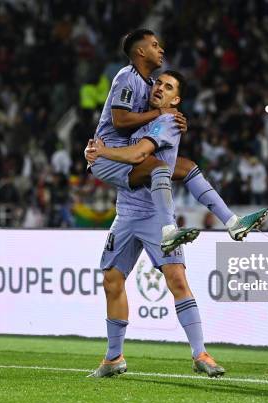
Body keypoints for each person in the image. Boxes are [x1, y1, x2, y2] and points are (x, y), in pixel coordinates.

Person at [87, 71, 225, 378]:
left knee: (176, 280)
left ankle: (200, 352)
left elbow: (137, 154)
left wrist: (101, 153)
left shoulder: (168, 122)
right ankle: (113, 358)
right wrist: (97, 151)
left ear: (176, 99)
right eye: (158, 83)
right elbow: (116, 133)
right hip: (125, 214)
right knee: (111, 280)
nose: (158, 88)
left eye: (168, 87)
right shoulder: (138, 116)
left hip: (153, 214)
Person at [87, 29, 268, 254]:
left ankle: (232, 222)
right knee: (159, 167)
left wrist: (175, 117)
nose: (160, 49)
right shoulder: (127, 77)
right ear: (141, 51)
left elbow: (162, 110)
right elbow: (120, 120)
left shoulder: (151, 83)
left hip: (127, 153)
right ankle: (168, 231)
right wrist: (161, 113)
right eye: (154, 45)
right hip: (107, 155)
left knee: (187, 167)